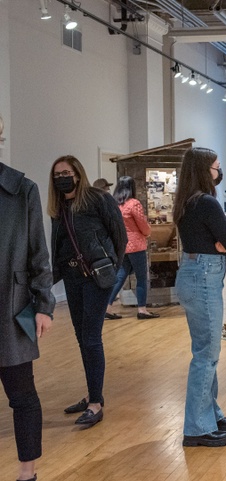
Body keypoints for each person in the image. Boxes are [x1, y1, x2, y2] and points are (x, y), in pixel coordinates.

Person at [48, 155, 127, 428]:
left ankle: (95, 404)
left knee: (91, 337)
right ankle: (93, 394)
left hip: (96, 277)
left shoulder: (97, 199)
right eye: (57, 174)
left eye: (66, 173)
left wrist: (113, 268)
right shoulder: (58, 207)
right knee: (82, 337)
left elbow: (120, 235)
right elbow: (58, 245)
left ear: (78, 174)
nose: (62, 178)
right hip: (71, 278)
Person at [173, 147, 226, 447]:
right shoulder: (208, 203)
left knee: (204, 350)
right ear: (205, 171)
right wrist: (225, 240)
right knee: (207, 355)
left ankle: (210, 414)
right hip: (203, 275)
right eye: (216, 167)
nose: (219, 171)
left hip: (191, 272)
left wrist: (221, 242)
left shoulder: (186, 202)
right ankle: (197, 428)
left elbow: (223, 241)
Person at [1, 162, 55, 481]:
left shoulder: (22, 189)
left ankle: (27, 473)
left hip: (10, 306)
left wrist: (44, 305)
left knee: (22, 396)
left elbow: (39, 254)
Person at [105, 176, 159, 320]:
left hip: (122, 246)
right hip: (136, 246)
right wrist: (148, 232)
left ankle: (107, 307)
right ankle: (142, 309)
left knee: (120, 276)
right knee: (141, 278)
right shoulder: (134, 203)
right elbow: (143, 226)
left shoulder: (114, 204)